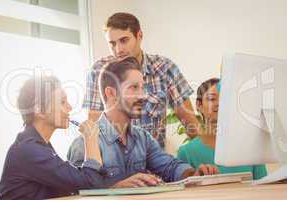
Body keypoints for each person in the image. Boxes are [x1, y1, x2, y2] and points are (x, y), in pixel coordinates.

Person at [68, 57, 218, 188]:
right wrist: (114, 188)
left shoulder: (143, 138)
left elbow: (170, 167)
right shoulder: (83, 144)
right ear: (111, 93)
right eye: (134, 87)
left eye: (143, 87)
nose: (143, 95)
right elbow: (75, 194)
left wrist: (194, 173)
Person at [82, 12, 203, 148]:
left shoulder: (165, 68)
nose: (118, 49)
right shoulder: (99, 71)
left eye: (124, 40)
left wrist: (207, 158)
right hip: (113, 162)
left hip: (153, 163)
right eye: (112, 43)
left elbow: (190, 123)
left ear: (139, 36)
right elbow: (93, 125)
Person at [0, 75, 106, 200]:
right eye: (62, 102)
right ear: (39, 110)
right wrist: (91, 139)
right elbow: (91, 186)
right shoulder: (29, 150)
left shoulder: (39, 146)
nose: (70, 107)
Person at [177, 78, 267, 180]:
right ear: (199, 105)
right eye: (212, 99)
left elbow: (264, 187)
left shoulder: (250, 149)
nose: (219, 104)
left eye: (225, 99)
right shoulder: (186, 153)